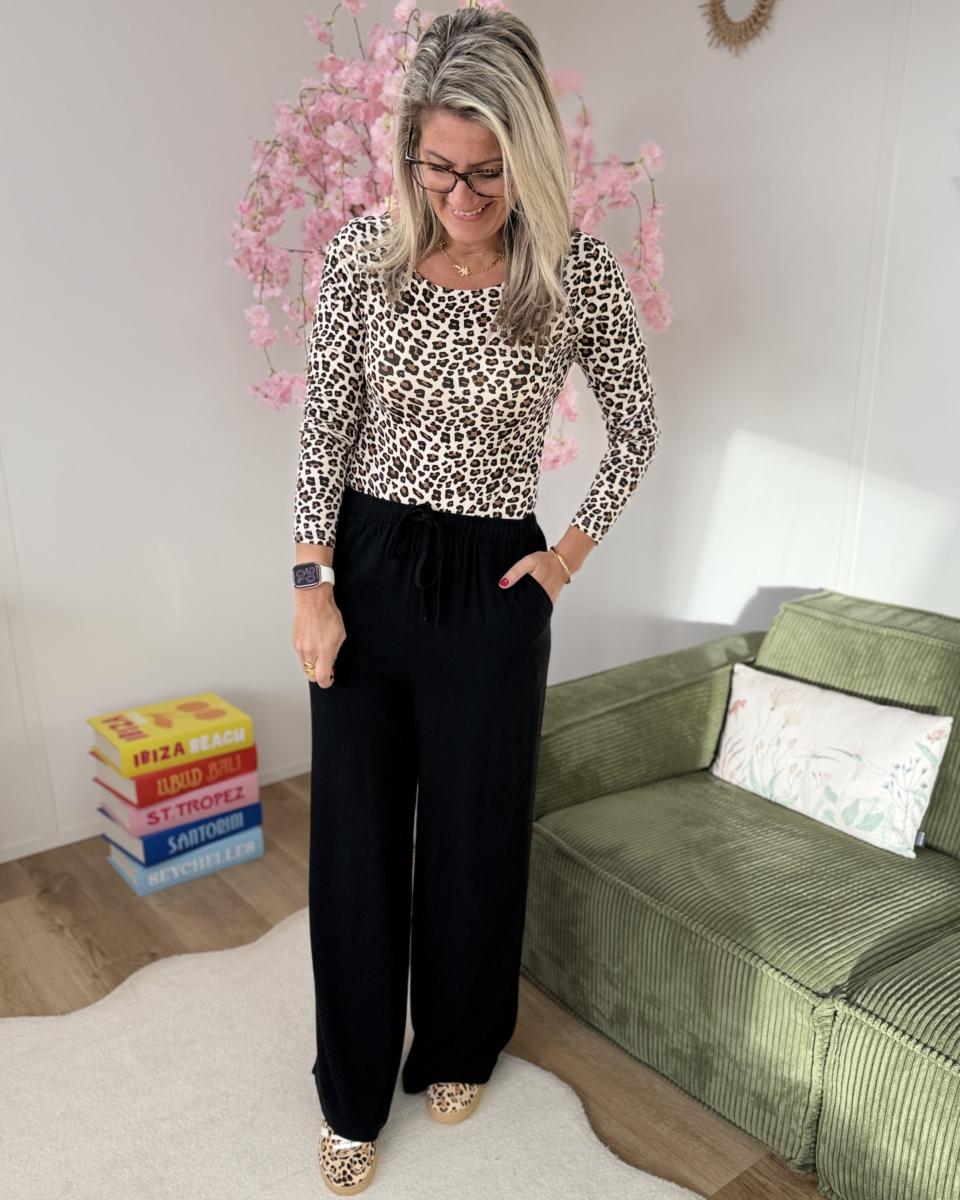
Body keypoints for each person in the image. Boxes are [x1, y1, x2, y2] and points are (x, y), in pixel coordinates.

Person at [291, 7, 660, 1194]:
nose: (458, 194)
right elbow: (324, 429)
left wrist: (563, 561)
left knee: (474, 835)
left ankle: (457, 1044)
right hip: (367, 564)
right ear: (411, 151)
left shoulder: (572, 271)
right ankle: (351, 1091)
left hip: (497, 574)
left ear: (529, 157)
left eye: (487, 172)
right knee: (356, 847)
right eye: (438, 166)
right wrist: (311, 584)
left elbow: (636, 429)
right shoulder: (365, 255)